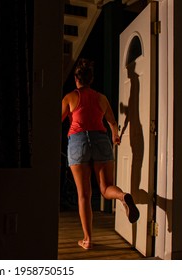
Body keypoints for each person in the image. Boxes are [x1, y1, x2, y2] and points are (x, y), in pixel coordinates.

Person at [61, 58, 139, 250]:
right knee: (106, 188)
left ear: (76, 79)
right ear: (92, 78)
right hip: (101, 140)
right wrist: (115, 137)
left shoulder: (70, 97)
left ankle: (87, 240)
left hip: (78, 141)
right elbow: (112, 122)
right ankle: (122, 196)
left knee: (84, 195)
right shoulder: (101, 98)